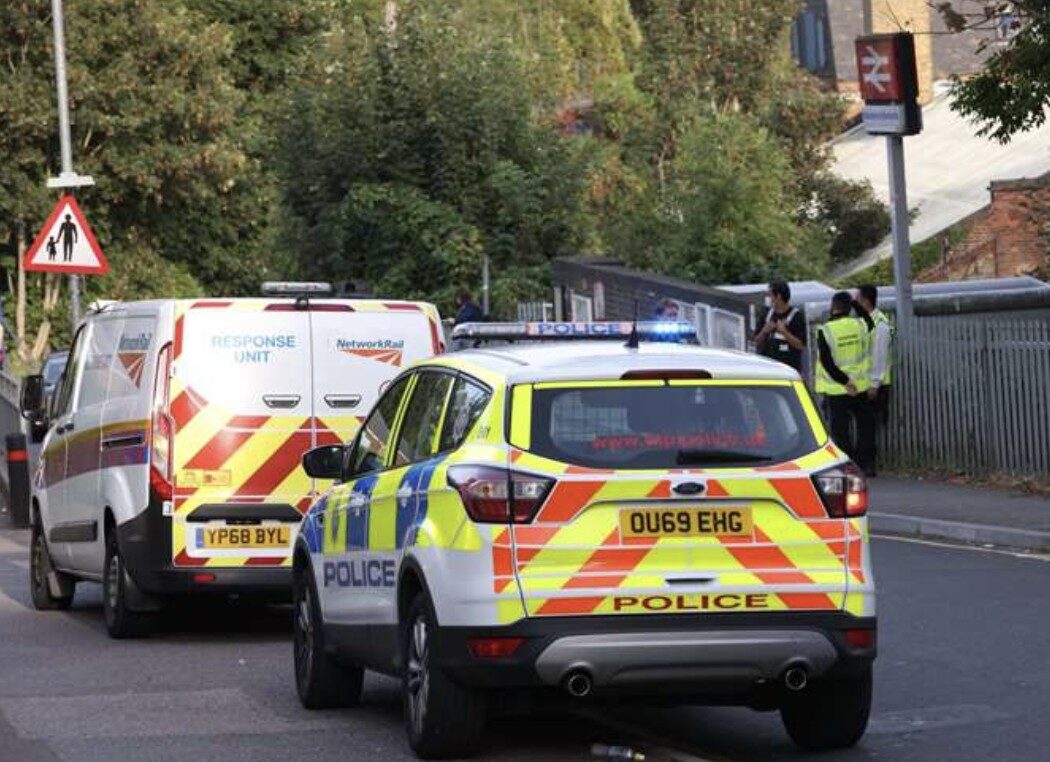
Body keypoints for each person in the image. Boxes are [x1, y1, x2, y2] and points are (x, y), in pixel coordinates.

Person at [816, 291, 876, 475]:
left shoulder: (824, 330)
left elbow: (827, 362)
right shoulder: (860, 325)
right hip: (860, 387)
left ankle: (847, 468)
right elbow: (869, 320)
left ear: (832, 307)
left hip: (837, 389)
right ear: (850, 308)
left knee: (841, 432)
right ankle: (866, 465)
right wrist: (856, 303)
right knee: (866, 427)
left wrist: (844, 381)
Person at [855, 284, 894, 426]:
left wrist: (875, 383)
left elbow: (880, 354)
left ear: (866, 301)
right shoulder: (865, 321)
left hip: (876, 385)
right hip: (865, 383)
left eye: (857, 299)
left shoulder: (879, 324)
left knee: (871, 426)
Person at [754, 279, 806, 373]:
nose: (768, 299)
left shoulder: (797, 316)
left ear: (778, 296)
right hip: (768, 369)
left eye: (770, 295)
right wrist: (765, 331)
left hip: (789, 370)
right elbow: (756, 341)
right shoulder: (766, 314)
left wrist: (784, 332)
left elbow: (801, 346)